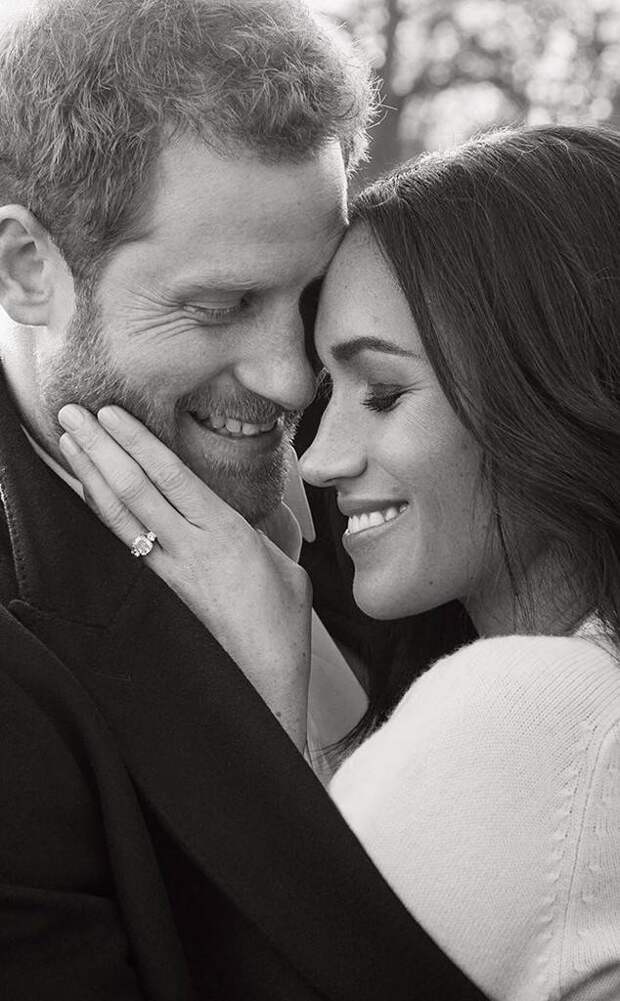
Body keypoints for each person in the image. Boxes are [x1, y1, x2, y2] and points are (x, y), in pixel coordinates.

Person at [59, 123, 620, 1001]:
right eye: (327, 390)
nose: (316, 458)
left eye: (386, 393)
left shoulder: (536, 707)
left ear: (548, 388)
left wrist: (260, 707)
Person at [0, 1, 490, 999]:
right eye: (219, 305)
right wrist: (270, 736)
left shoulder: (401, 455)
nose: (290, 381)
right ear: (29, 268)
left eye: (306, 297)